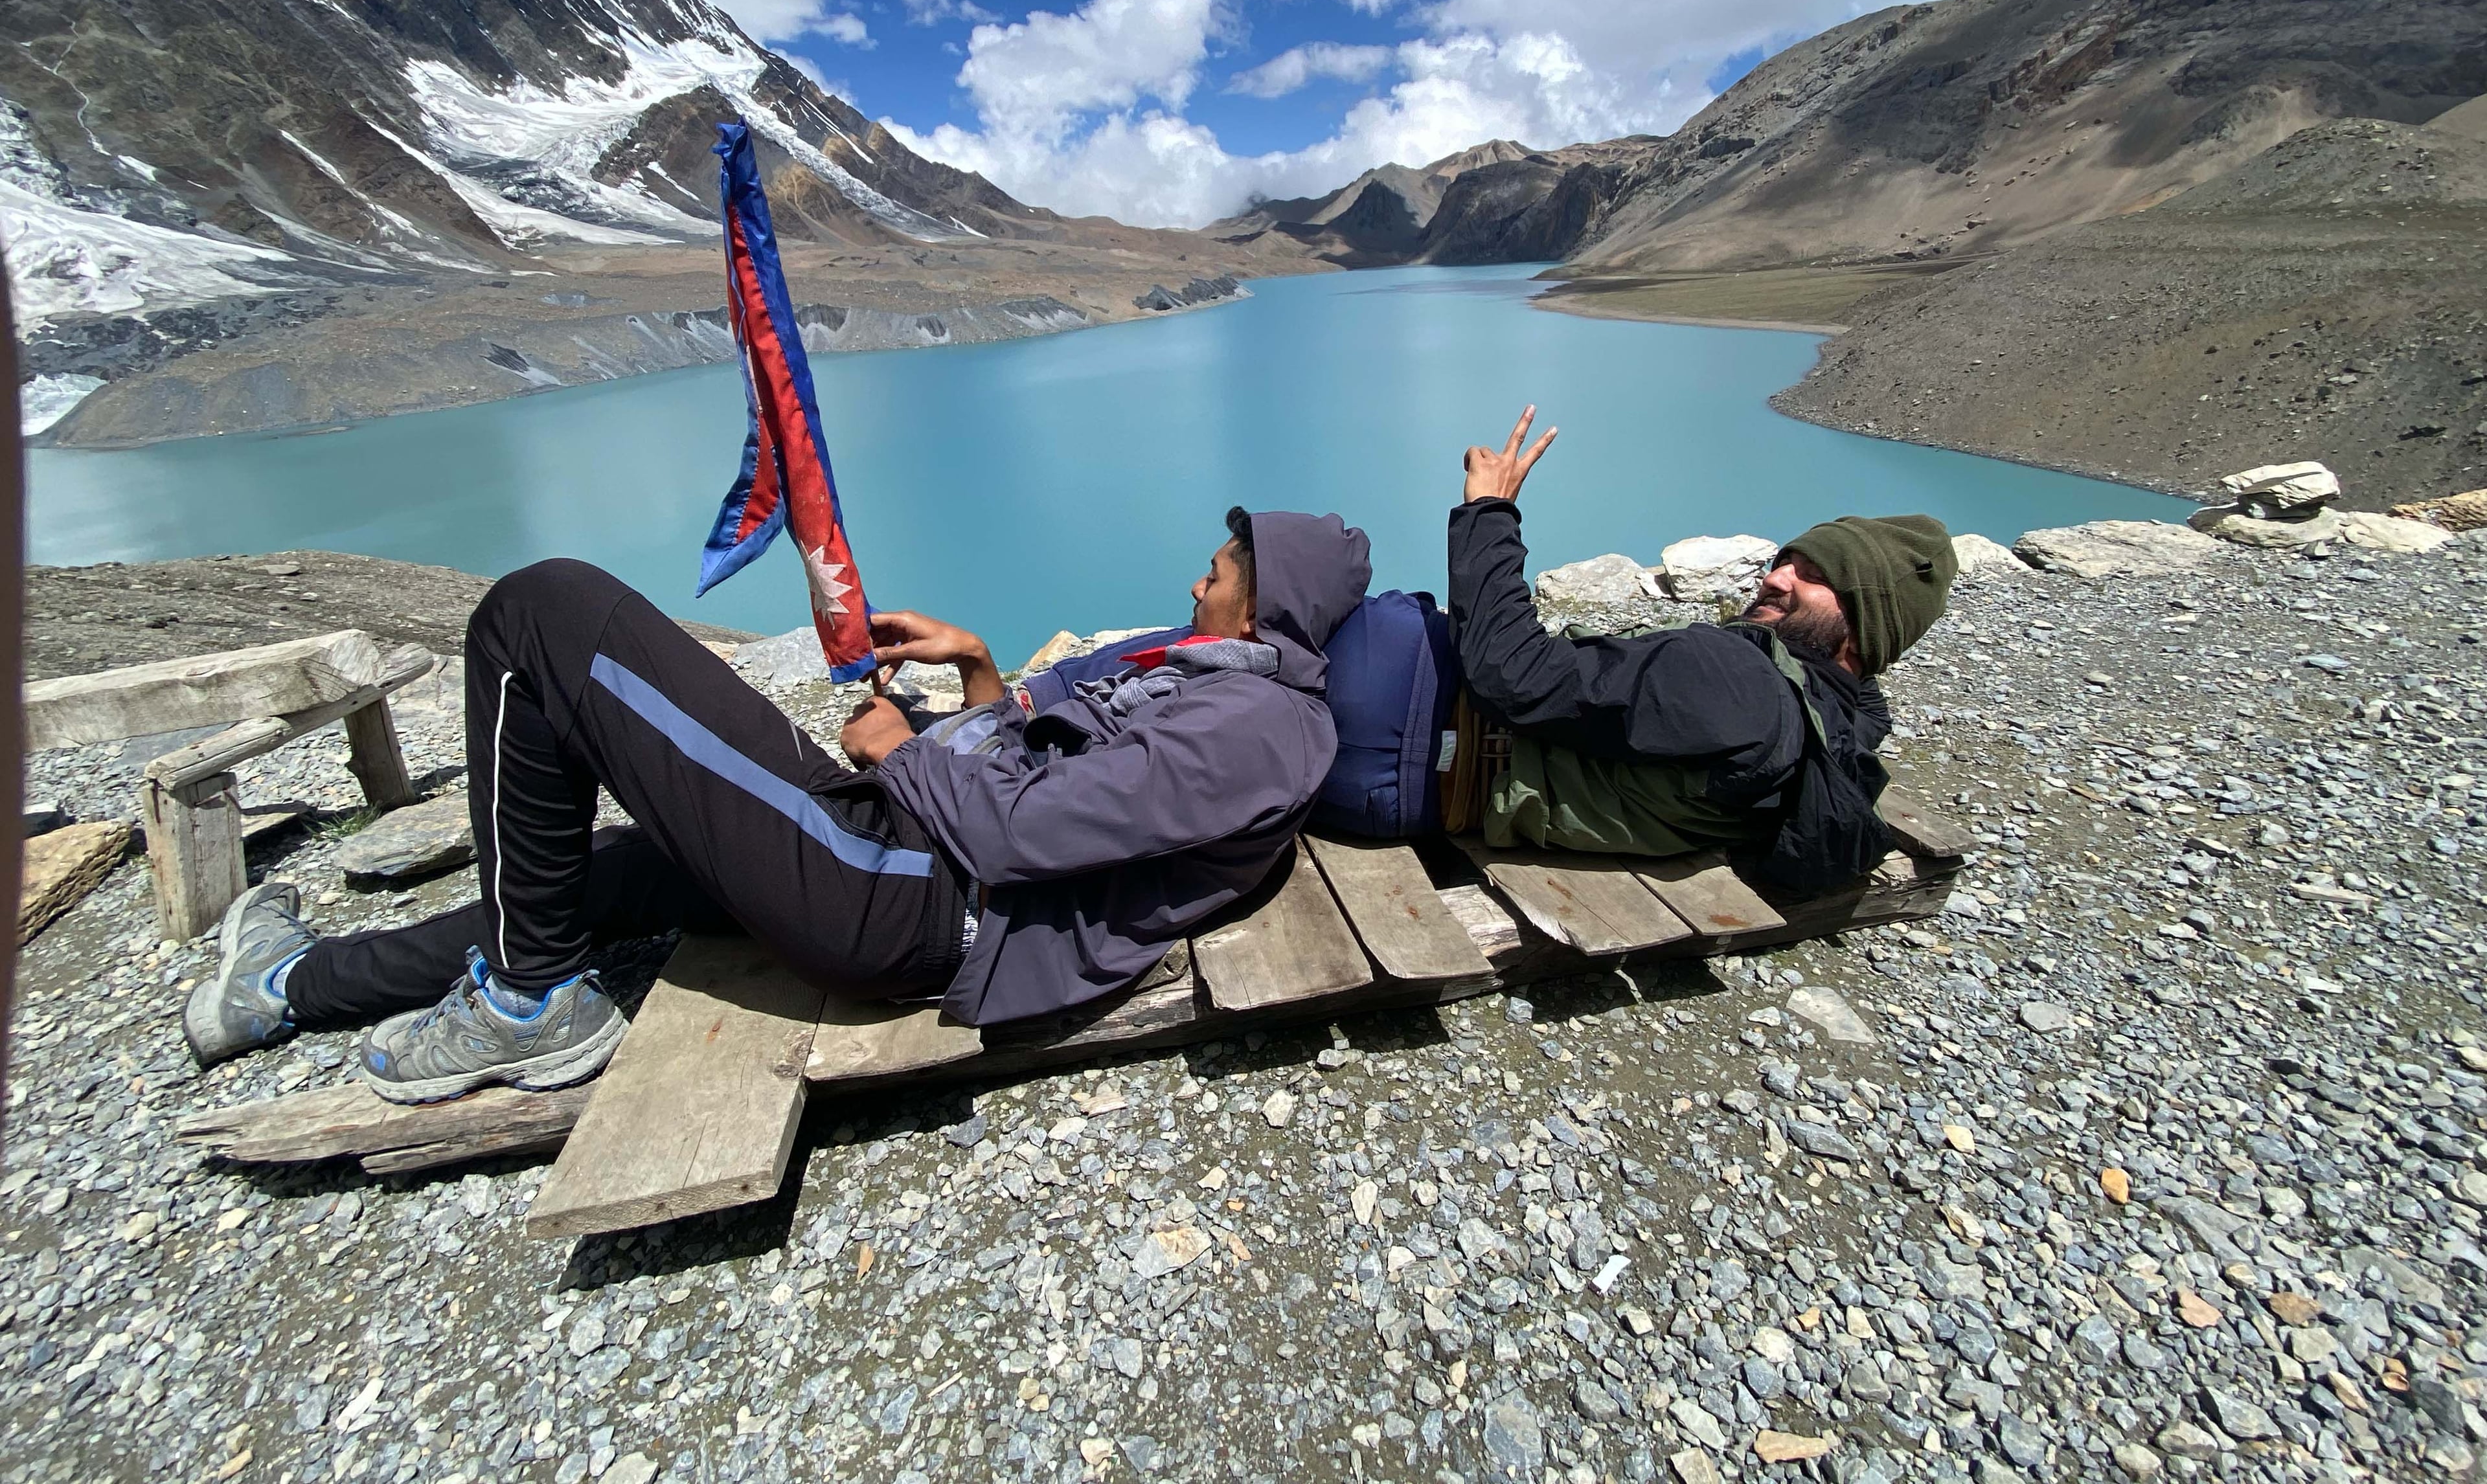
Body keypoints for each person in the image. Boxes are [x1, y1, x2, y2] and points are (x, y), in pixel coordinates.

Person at [183, 508, 1371, 1101]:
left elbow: (1022, 834)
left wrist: (916, 745)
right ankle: (290, 988)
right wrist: (980, 677)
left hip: (911, 900)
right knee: (600, 875)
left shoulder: (1266, 731)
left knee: (543, 613)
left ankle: (534, 1004)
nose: (1195, 578)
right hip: (899, 846)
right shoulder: (1209, 675)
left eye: (1219, 571)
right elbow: (1072, 782)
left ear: (1270, 605)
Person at [1449, 406, 1955, 881]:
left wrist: (1490, 510)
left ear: (1865, 624)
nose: (1775, 579)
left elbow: (1510, 672)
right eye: (1785, 563)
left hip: (1421, 741)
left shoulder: (1734, 680)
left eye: (1815, 576)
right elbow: (1864, 694)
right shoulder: (1836, 724)